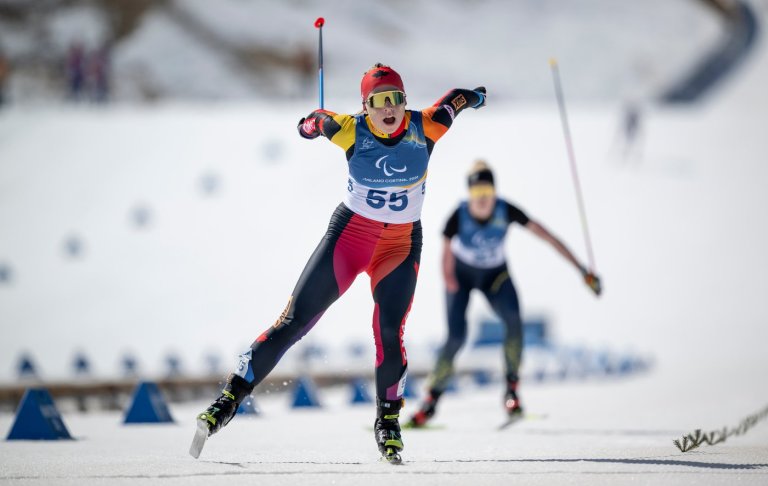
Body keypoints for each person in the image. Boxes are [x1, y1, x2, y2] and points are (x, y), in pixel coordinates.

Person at [195, 63, 487, 463]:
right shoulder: (351, 129)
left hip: (399, 247)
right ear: (365, 106)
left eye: (396, 99)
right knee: (294, 322)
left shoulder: (428, 125)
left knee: (389, 333)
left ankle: (388, 421)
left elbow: (456, 99)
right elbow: (315, 121)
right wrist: (310, 126)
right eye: (379, 101)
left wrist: (476, 96)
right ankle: (229, 398)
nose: (389, 109)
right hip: (350, 240)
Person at [408, 160, 601, 428]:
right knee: (455, 337)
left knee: (513, 321)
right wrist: (452, 284)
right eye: (477, 194)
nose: (483, 200)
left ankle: (512, 391)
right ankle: (430, 402)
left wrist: (582, 270)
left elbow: (547, 237)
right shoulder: (458, 215)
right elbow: (445, 258)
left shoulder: (506, 209)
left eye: (487, 193)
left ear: (494, 193)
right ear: (470, 194)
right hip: (461, 278)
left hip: (495, 276)